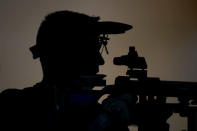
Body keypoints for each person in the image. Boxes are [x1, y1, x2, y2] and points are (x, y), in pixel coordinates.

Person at [0, 10, 132, 130]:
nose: (100, 61)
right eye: (89, 51)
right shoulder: (13, 105)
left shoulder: (95, 110)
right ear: (63, 56)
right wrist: (104, 121)